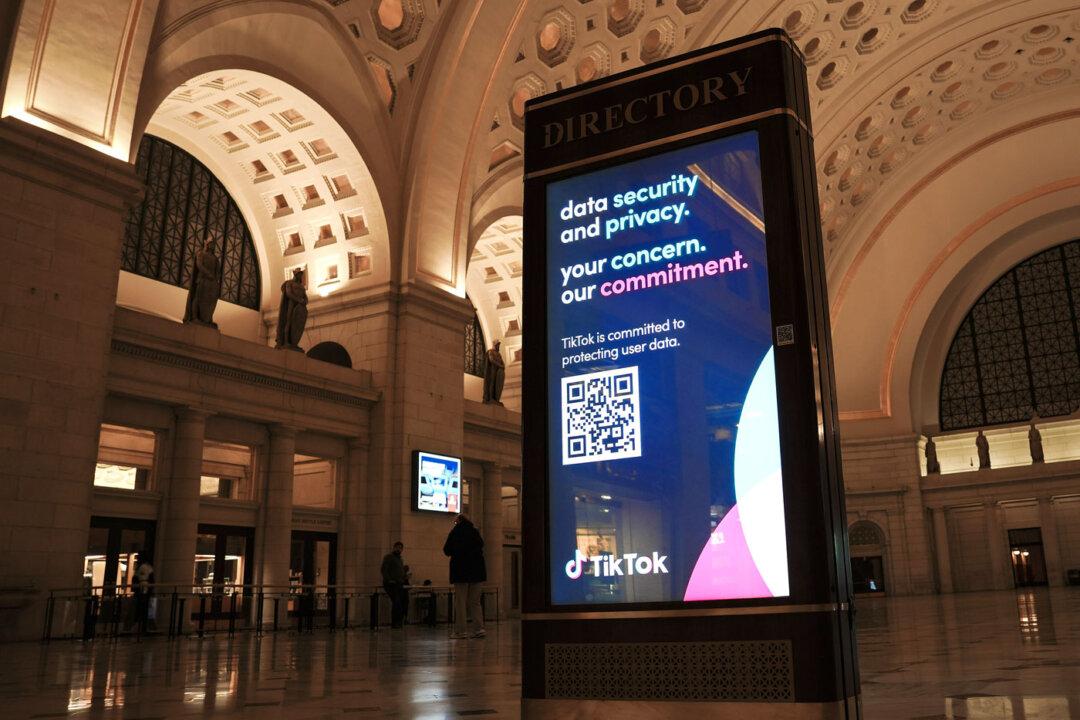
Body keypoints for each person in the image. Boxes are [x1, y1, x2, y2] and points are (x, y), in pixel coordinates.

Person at [443, 514, 486, 639]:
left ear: (459, 521)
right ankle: (479, 629)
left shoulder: (455, 532)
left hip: (460, 571)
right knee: (475, 602)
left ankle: (461, 631)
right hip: (477, 572)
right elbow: (481, 545)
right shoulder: (475, 532)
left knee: (460, 602)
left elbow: (446, 550)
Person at [183, 238, 221, 326]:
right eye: (211, 244)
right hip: (202, 280)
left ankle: (207, 319)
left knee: (209, 301)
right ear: (207, 244)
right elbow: (199, 265)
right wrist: (208, 274)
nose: (212, 246)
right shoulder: (201, 254)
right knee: (198, 298)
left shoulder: (215, 258)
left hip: (211, 283)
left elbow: (218, 271)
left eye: (214, 244)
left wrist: (216, 278)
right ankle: (194, 317)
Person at [275, 267, 308, 350]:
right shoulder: (289, 283)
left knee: (296, 324)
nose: (300, 276)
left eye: (301, 274)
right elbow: (289, 294)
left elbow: (305, 296)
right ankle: (286, 341)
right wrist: (299, 300)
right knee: (288, 321)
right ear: (295, 275)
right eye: (299, 274)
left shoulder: (301, 286)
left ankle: (294, 342)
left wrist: (305, 301)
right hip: (291, 304)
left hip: (299, 306)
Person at [380, 541, 408, 628]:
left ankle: (399, 622)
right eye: (397, 547)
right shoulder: (389, 557)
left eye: (400, 548)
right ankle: (395, 623)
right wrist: (389, 580)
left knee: (402, 603)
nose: (399, 549)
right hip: (391, 584)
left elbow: (399, 572)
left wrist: (405, 575)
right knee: (397, 603)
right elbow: (384, 569)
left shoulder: (400, 559)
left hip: (399, 584)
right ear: (394, 547)